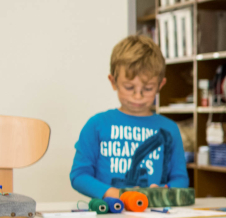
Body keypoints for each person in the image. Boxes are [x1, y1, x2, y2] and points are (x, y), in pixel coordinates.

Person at [71, 35, 188, 199]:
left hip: (155, 215)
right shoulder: (97, 125)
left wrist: (165, 191)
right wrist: (116, 194)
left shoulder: (170, 129)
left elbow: (180, 179)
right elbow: (79, 176)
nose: (137, 96)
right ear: (113, 82)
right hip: (110, 214)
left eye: (147, 89)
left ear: (160, 85)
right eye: (129, 87)